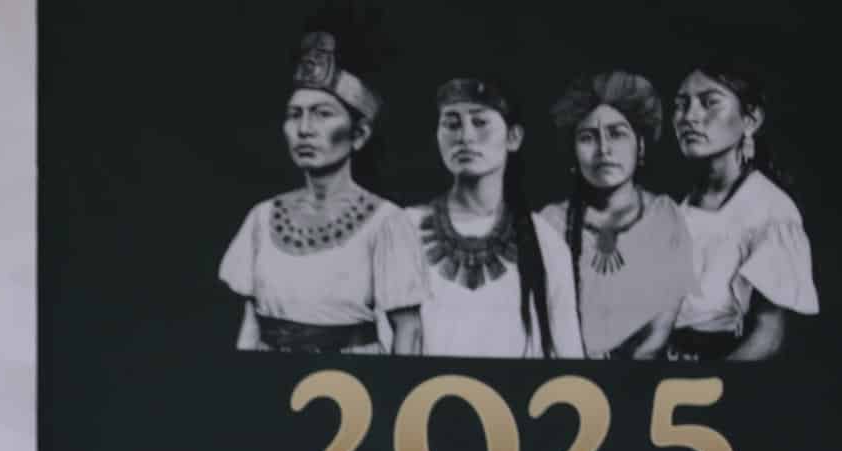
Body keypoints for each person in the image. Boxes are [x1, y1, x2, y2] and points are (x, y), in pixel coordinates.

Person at [218, 28, 426, 354]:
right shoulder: (262, 217)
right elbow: (250, 324)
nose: (304, 129)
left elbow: (408, 330)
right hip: (269, 379)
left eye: (322, 114)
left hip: (355, 384)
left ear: (358, 134)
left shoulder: (386, 222)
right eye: (294, 115)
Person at [409, 77, 582, 359]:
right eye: (452, 124)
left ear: (513, 137)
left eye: (480, 123)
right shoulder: (405, 230)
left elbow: (570, 355)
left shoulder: (546, 242)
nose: (465, 136)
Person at [668, 63, 818, 360]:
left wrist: (705, 391)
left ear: (750, 121)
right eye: (681, 105)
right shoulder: (680, 206)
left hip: (724, 377)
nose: (689, 117)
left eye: (709, 102)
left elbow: (768, 337)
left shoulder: (770, 211)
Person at [543, 71, 697, 359]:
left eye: (617, 133)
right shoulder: (550, 224)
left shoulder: (665, 217)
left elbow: (661, 327)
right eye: (588, 137)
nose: (604, 149)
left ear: (639, 146)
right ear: (572, 153)